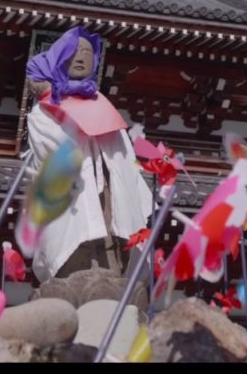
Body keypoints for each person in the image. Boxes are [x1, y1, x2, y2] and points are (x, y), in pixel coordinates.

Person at [24, 26, 153, 282]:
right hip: (72, 190)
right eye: (73, 52)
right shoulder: (46, 109)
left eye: (87, 52)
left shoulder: (102, 104)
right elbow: (49, 152)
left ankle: (112, 270)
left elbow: (123, 155)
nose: (81, 57)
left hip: (107, 187)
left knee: (111, 229)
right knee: (74, 236)